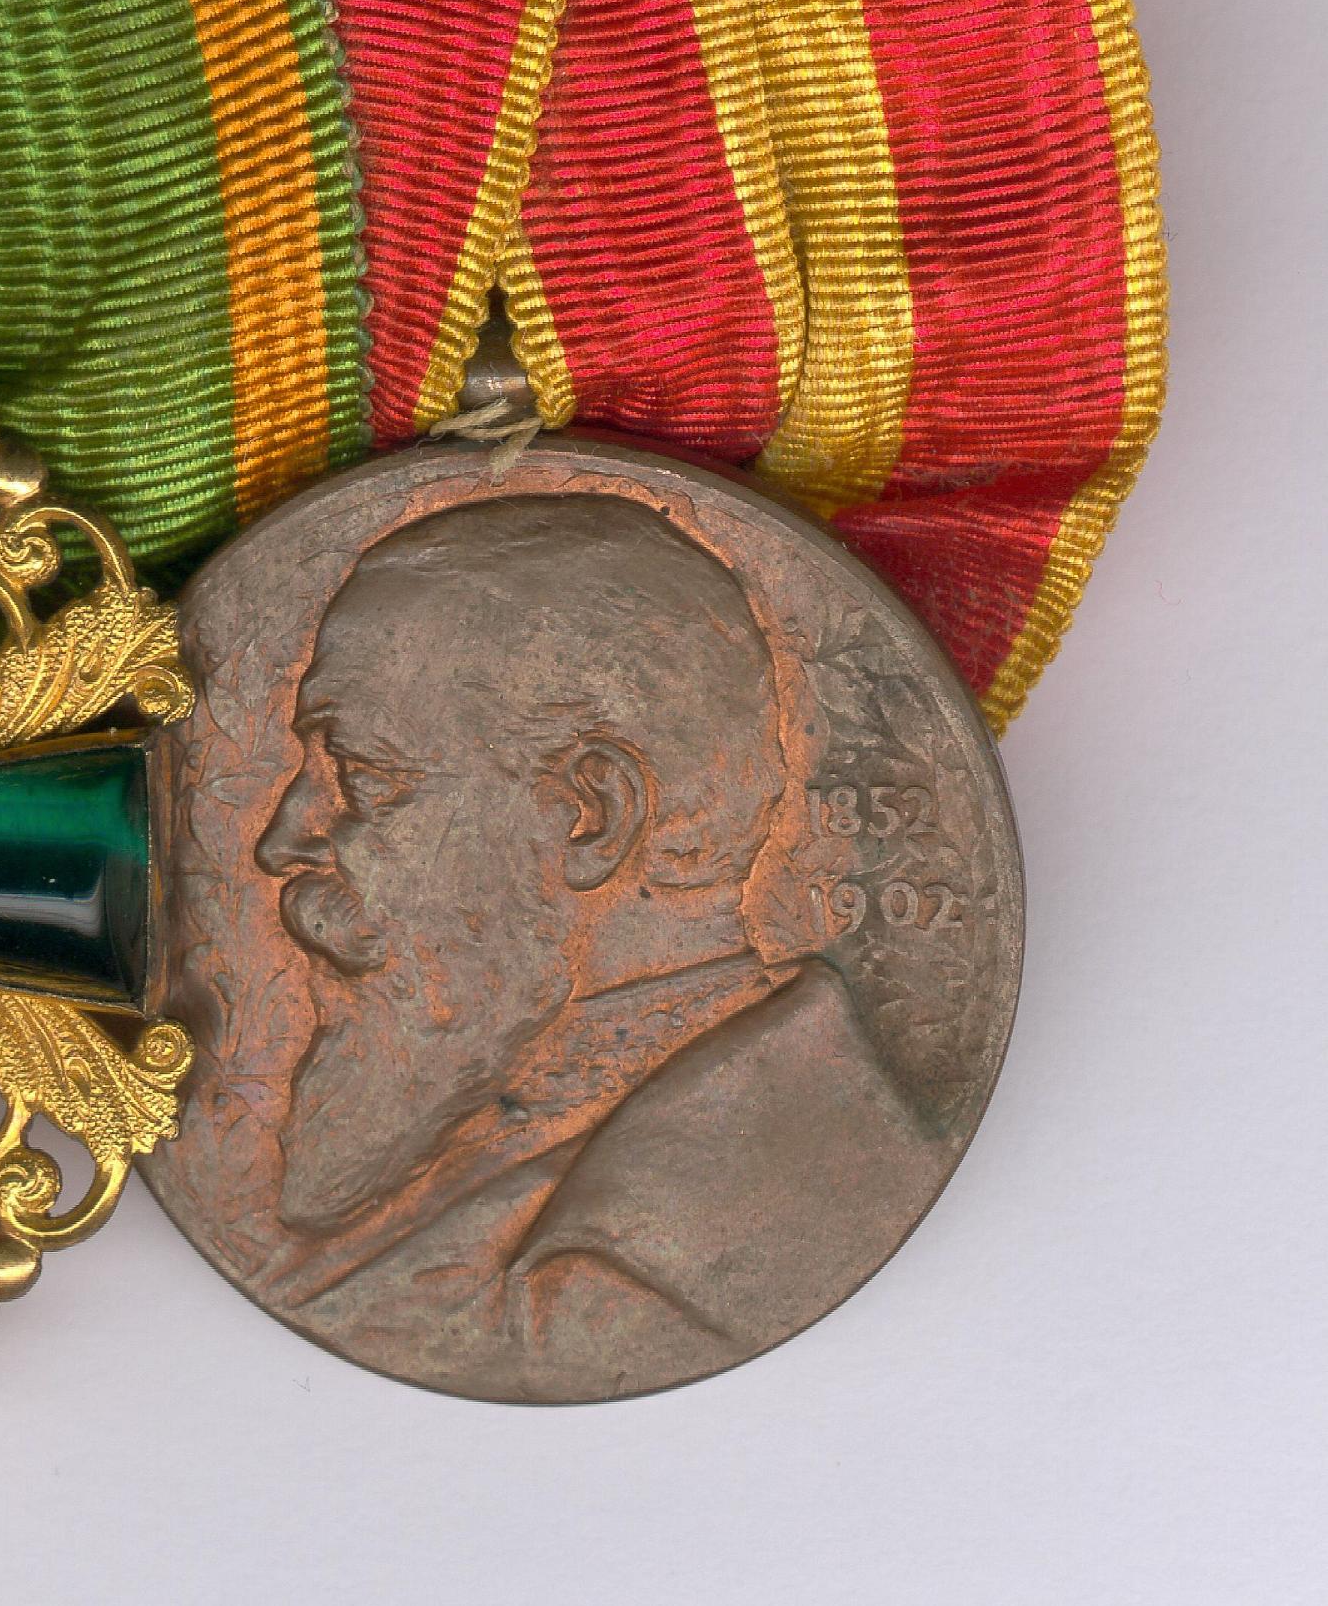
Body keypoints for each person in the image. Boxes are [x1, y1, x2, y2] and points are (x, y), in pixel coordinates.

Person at [256, 494, 950, 1401]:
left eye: (361, 778)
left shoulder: (628, 1280)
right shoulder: (518, 1123)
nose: (281, 843)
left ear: (593, 816)